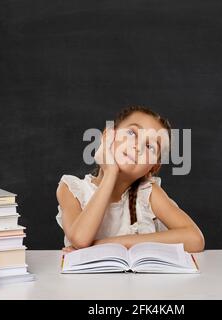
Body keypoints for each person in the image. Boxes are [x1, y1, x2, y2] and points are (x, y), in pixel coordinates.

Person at [56, 105, 204, 254]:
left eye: (149, 146)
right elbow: (80, 239)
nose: (138, 147)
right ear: (108, 136)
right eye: (132, 133)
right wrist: (110, 173)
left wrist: (106, 244)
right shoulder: (72, 189)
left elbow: (195, 239)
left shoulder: (149, 194)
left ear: (152, 168)